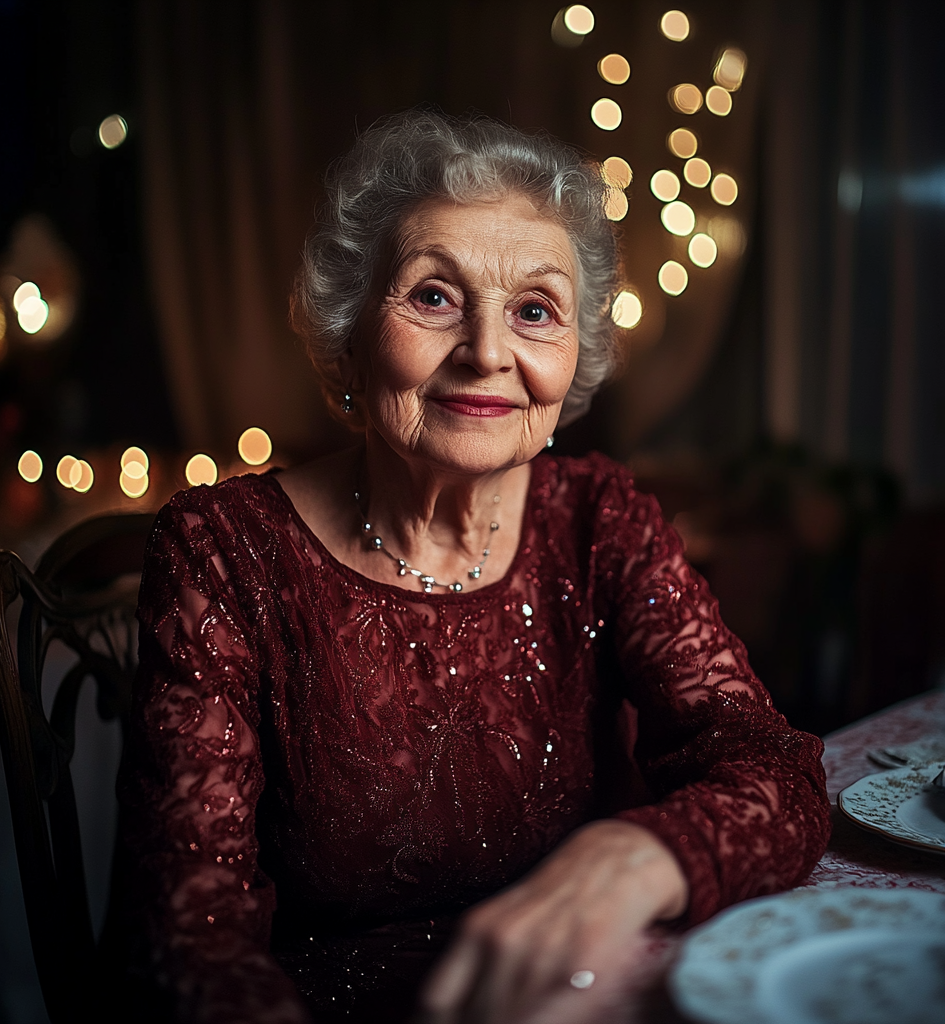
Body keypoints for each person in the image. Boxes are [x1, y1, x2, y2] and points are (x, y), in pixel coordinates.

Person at [118, 110, 831, 1024]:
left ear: (572, 361)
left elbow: (773, 767)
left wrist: (632, 861)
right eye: (434, 297)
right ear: (349, 331)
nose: (489, 352)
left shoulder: (602, 520)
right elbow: (185, 930)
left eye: (534, 311)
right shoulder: (222, 549)